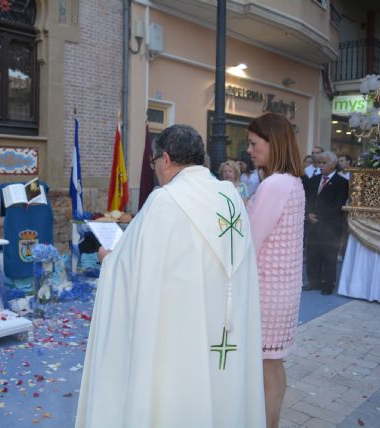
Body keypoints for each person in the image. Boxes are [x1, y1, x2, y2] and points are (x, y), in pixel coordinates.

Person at [76, 125, 265, 428]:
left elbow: (128, 267)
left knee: (178, 395)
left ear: (165, 159)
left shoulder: (165, 200)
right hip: (225, 327)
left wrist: (107, 260)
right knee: (221, 392)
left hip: (181, 331)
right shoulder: (230, 198)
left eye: (154, 164)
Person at [246, 112, 305, 428]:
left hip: (268, 290)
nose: (250, 151)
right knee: (274, 363)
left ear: (274, 142)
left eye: (255, 144)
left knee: (266, 365)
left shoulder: (275, 184)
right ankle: (272, 422)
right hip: (283, 287)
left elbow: (250, 242)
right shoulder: (292, 182)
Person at [304, 151, 349, 295]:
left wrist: (319, 217)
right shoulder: (313, 180)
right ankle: (313, 281)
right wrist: (307, 214)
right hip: (312, 225)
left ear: (333, 164)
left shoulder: (342, 183)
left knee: (329, 256)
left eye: (324, 163)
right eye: (319, 163)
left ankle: (328, 284)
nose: (321, 166)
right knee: (312, 255)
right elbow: (306, 199)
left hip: (330, 227)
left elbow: (338, 204)